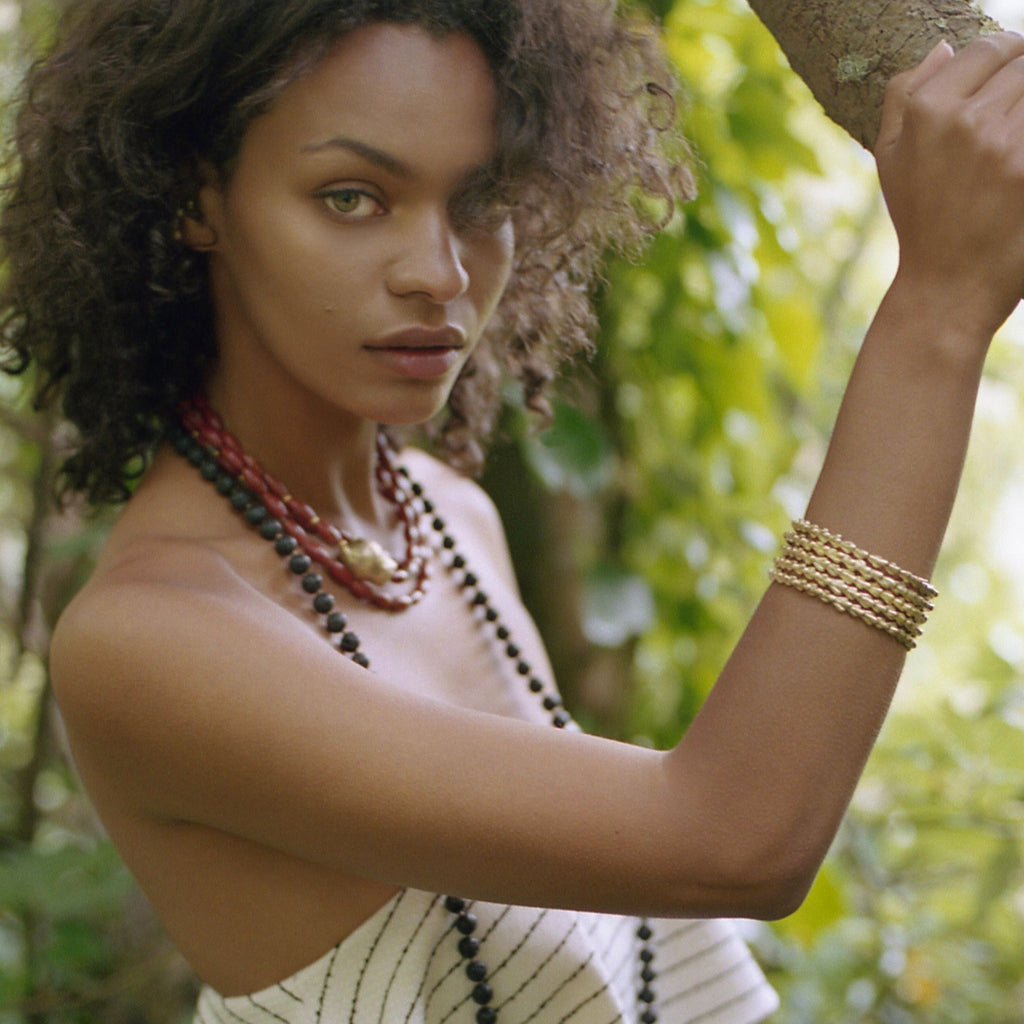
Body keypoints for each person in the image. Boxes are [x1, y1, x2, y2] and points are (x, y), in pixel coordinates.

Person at [3, 0, 1024, 1019]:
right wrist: (936, 308)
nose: (438, 273)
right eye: (352, 197)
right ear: (198, 197)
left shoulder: (450, 518)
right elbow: (730, 842)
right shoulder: (152, 638)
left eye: (479, 199)